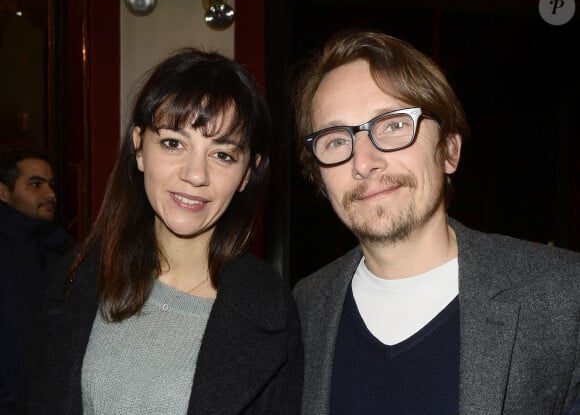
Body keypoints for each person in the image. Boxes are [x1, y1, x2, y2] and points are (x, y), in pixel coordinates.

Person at [292, 30, 580, 415]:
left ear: (449, 151)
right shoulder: (302, 309)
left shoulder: (562, 296)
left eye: (393, 125)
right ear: (320, 179)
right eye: (336, 140)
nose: (363, 162)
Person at [21, 48, 303, 414]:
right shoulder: (76, 275)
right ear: (139, 147)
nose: (195, 174)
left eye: (223, 155)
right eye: (173, 143)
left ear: (248, 172)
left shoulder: (274, 311)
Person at [0, 144, 75, 414]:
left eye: (51, 185)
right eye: (35, 184)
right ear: (4, 193)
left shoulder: (64, 251)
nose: (50, 194)